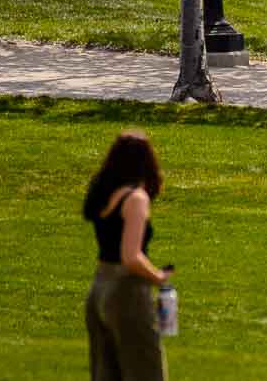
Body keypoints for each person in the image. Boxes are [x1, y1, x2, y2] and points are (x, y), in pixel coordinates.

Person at [83, 130, 171, 381]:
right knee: (146, 373)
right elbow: (130, 256)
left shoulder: (104, 195)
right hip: (126, 293)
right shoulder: (136, 198)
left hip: (99, 289)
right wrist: (157, 276)